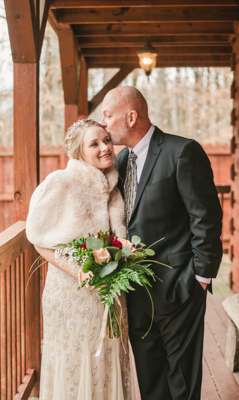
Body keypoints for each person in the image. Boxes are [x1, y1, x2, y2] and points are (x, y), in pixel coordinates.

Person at [101, 86, 222, 400]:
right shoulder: (122, 160)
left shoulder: (182, 152)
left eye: (107, 114)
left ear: (131, 117)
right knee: (151, 382)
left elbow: (205, 218)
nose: (103, 122)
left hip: (180, 288)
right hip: (136, 292)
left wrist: (200, 279)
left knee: (182, 383)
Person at [26, 119, 132, 400]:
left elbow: (115, 239)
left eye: (107, 140)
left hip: (110, 292)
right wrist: (80, 272)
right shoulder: (62, 182)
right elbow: (37, 239)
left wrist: (120, 258)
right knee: (76, 361)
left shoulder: (113, 186)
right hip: (72, 294)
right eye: (94, 144)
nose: (104, 147)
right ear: (79, 152)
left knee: (106, 361)